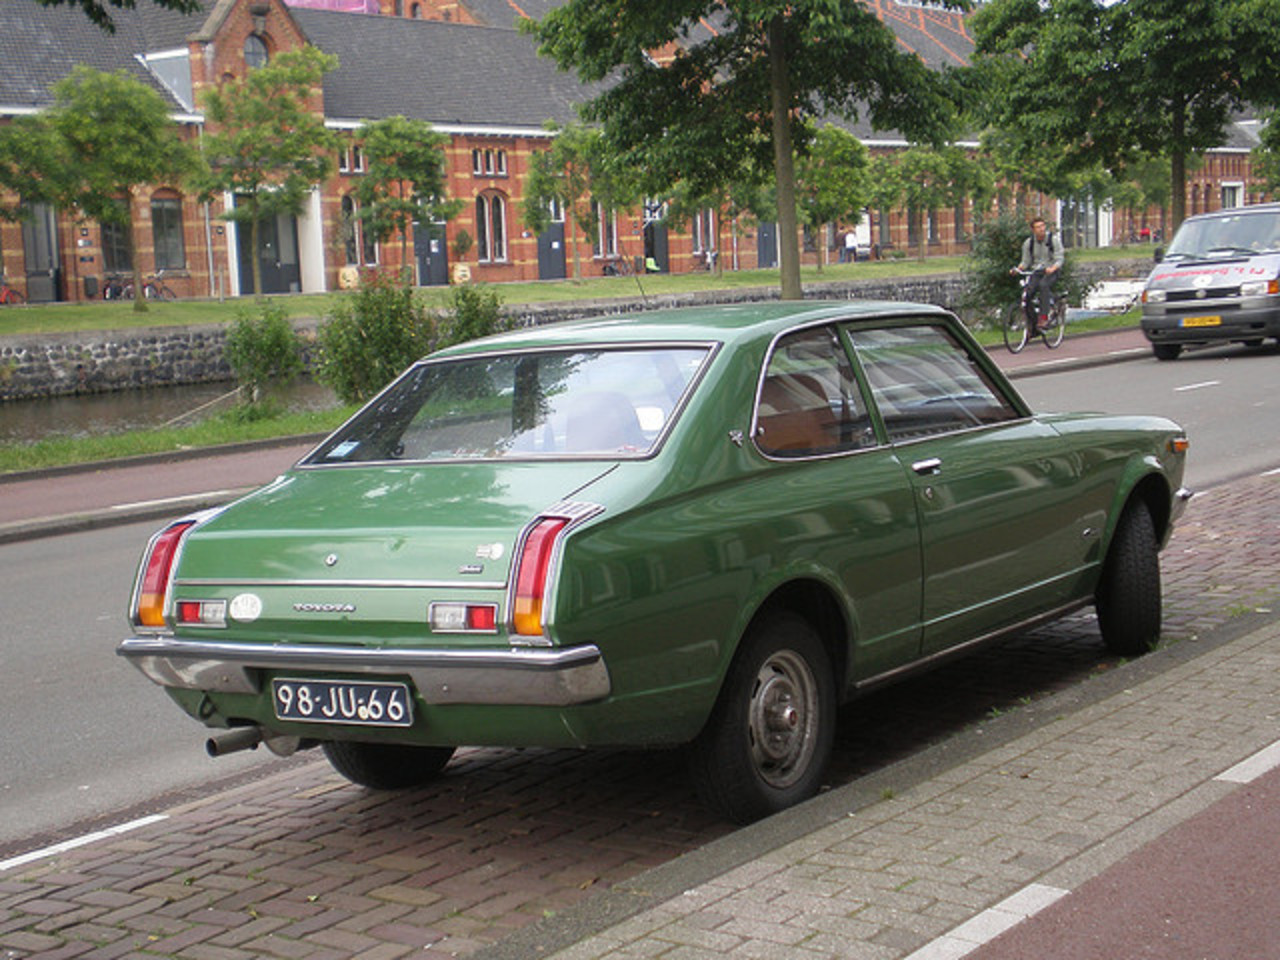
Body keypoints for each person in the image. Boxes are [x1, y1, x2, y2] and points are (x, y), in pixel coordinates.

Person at [1012, 217, 1064, 330]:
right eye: (1038, 227)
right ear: (1033, 230)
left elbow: (1059, 258)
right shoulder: (1029, 243)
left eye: (1042, 226)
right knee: (1027, 294)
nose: (1041, 229)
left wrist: (1053, 268)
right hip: (1036, 271)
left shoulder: (1053, 240)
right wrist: (1018, 269)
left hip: (1051, 270)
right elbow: (1026, 261)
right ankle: (1033, 323)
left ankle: (1044, 317)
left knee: (1043, 285)